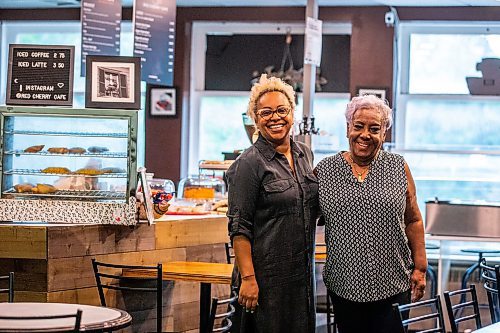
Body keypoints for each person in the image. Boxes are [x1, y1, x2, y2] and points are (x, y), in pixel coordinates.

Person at [314, 94, 427, 333]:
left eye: (374, 128)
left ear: (384, 134)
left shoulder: (398, 166)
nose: (365, 134)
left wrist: (420, 267)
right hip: (344, 285)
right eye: (358, 126)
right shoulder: (325, 170)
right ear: (348, 129)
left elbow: (414, 219)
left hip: (393, 284)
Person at [226, 74, 320, 332]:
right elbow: (239, 227)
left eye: (282, 110)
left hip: (301, 278)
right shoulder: (248, 163)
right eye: (266, 112)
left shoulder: (304, 154)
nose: (275, 117)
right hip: (264, 280)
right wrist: (248, 279)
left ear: (293, 113)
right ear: (255, 118)